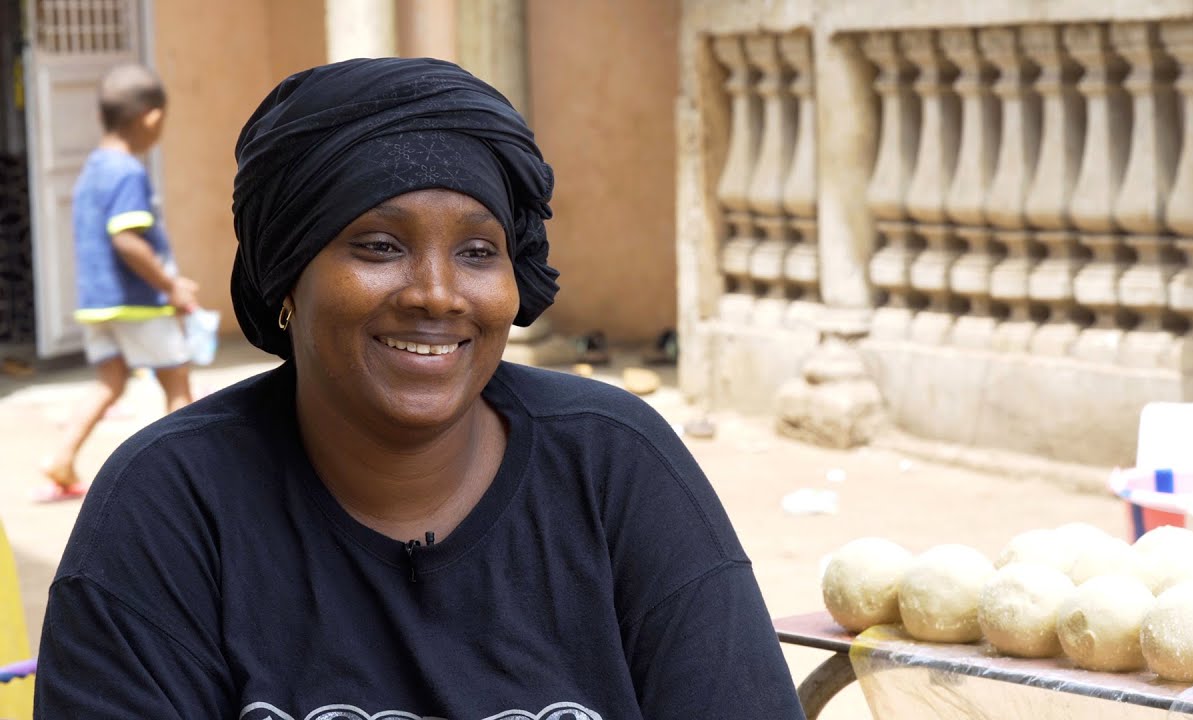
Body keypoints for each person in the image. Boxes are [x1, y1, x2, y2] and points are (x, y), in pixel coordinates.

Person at [34, 58, 805, 719]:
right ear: (287, 278)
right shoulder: (171, 506)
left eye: (477, 250)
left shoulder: (615, 469)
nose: (437, 293)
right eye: (378, 246)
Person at [36, 63, 199, 502]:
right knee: (177, 385)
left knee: (109, 381)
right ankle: (183, 482)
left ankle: (62, 457)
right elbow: (127, 240)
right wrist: (170, 286)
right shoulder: (127, 171)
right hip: (137, 301)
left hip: (98, 302)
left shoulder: (92, 168)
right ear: (151, 117)